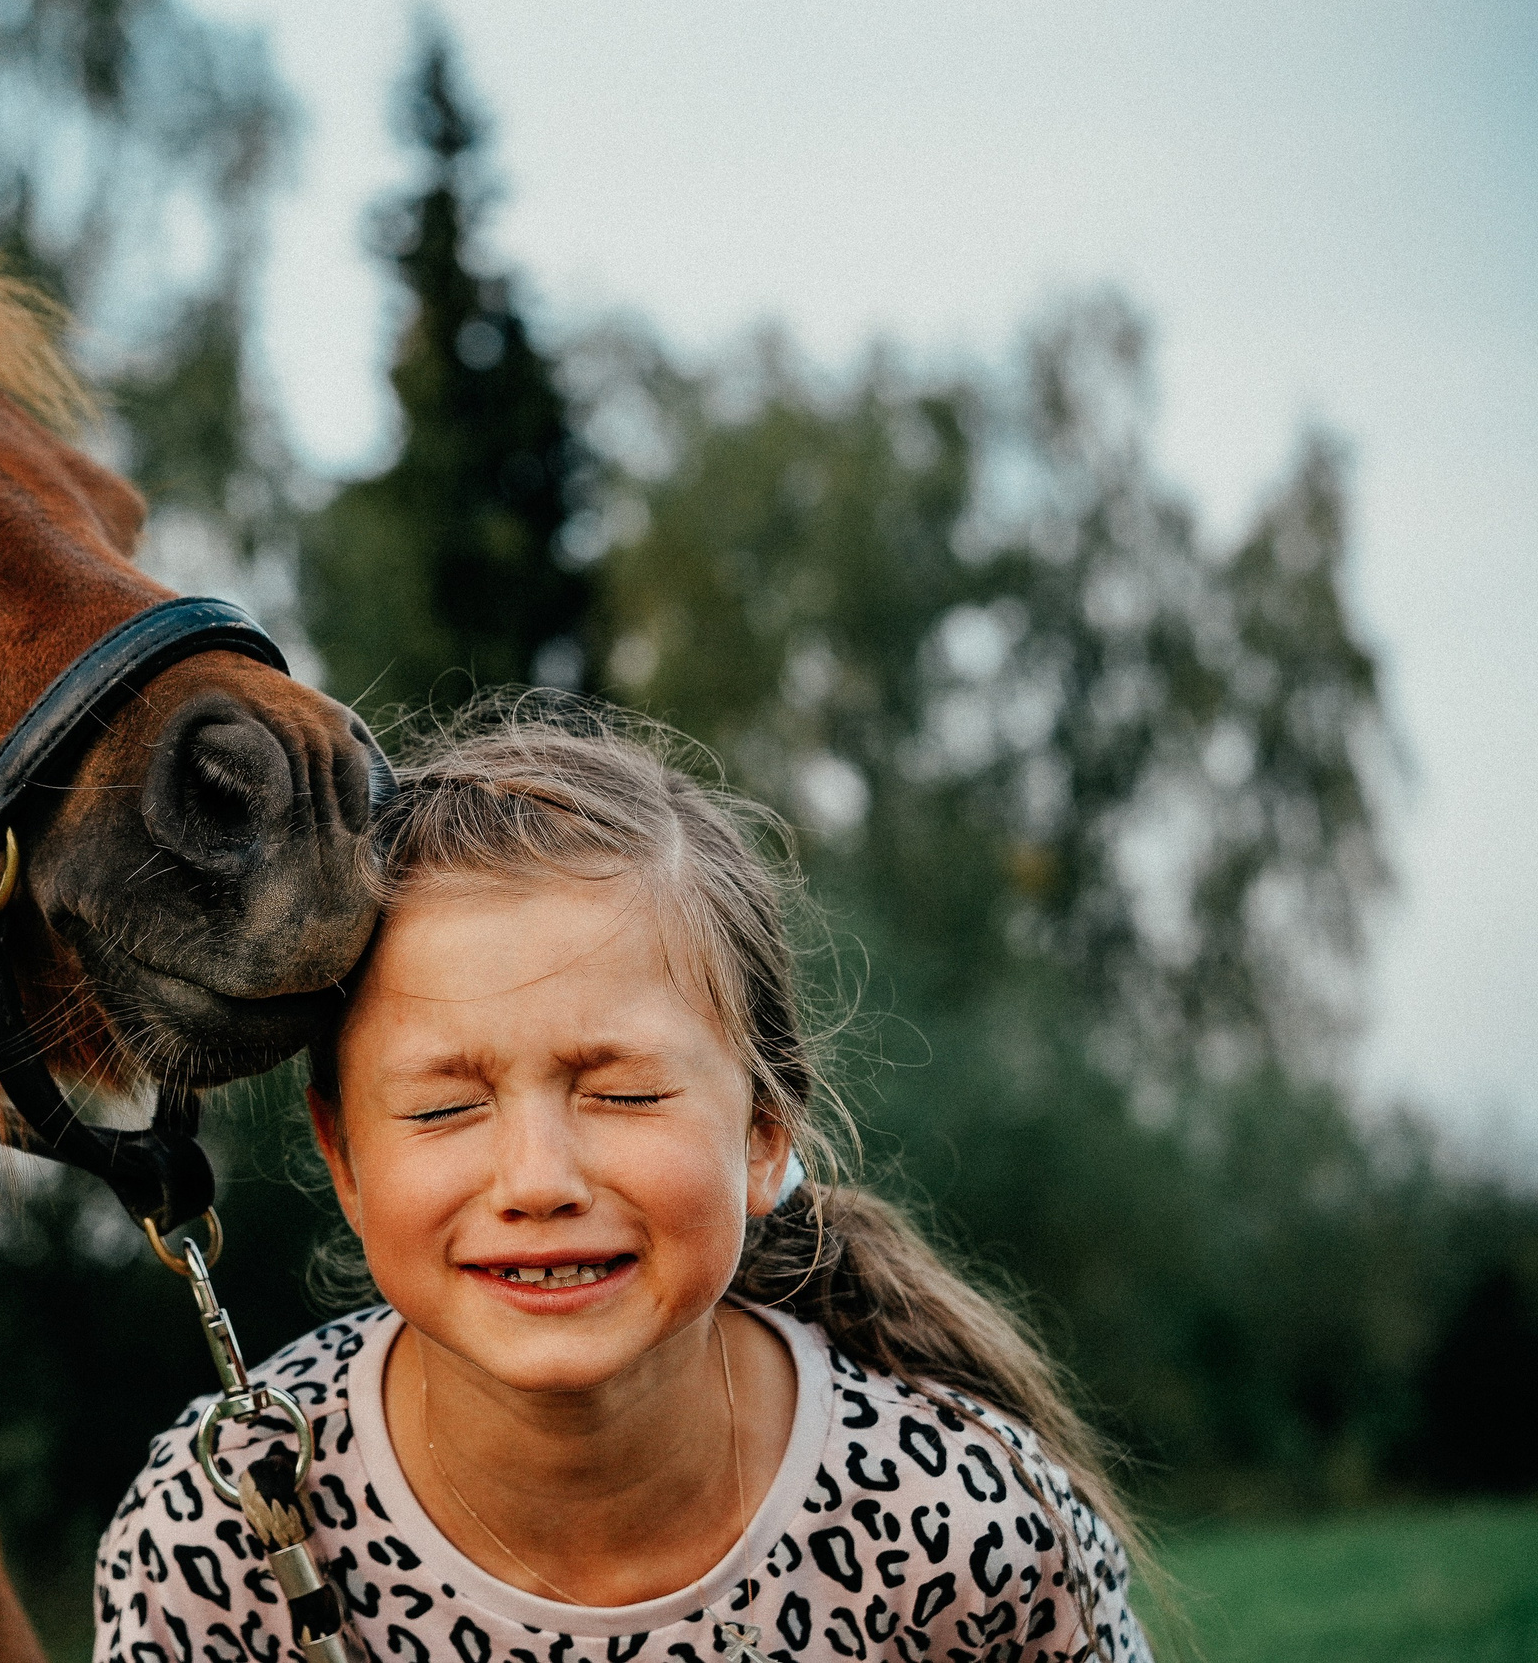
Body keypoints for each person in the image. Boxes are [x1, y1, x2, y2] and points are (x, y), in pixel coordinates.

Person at [94, 696, 1151, 1663]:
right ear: (346, 1158)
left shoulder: (960, 1529)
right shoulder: (219, 1538)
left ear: (763, 1135)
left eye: (623, 1092)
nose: (537, 1179)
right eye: (444, 1106)